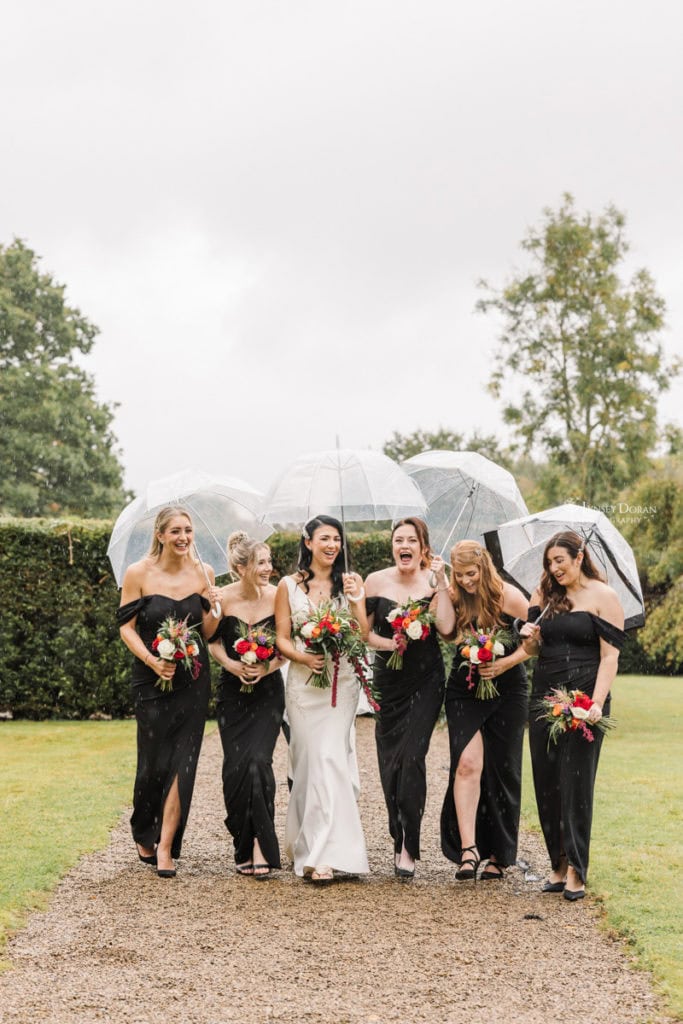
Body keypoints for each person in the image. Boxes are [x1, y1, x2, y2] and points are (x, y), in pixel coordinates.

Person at [521, 530, 625, 901]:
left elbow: (610, 656)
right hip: (545, 697)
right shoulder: (542, 596)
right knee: (547, 781)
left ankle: (579, 869)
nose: (554, 568)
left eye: (560, 561)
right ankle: (558, 863)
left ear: (579, 558)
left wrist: (595, 703)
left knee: (576, 783)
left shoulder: (604, 596)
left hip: (585, 698)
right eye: (550, 562)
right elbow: (533, 650)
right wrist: (530, 635)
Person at [117, 507, 221, 878]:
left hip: (193, 680)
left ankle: (165, 845)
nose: (183, 537)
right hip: (151, 679)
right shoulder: (138, 574)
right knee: (152, 763)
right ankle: (144, 827)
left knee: (184, 762)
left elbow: (207, 632)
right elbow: (126, 628)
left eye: (188, 530)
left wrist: (215, 606)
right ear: (160, 535)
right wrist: (151, 659)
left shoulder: (204, 573)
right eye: (175, 530)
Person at [275, 514, 370, 885]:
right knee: (308, 761)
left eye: (337, 539)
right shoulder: (288, 585)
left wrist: (357, 599)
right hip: (303, 684)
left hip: (341, 684)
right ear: (308, 542)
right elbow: (283, 637)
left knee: (330, 757)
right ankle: (307, 840)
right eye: (325, 538)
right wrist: (303, 657)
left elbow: (361, 634)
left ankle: (326, 855)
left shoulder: (350, 583)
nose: (332, 545)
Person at [365, 517, 454, 879]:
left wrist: (443, 584)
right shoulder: (375, 581)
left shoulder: (434, 582)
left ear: (423, 547)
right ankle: (396, 831)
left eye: (411, 540)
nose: (404, 545)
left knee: (413, 757)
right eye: (398, 540)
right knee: (390, 762)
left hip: (426, 680)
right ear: (393, 546)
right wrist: (390, 643)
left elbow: (446, 629)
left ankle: (409, 847)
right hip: (388, 681)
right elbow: (364, 633)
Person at [439, 540, 529, 882]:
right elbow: (447, 633)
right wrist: (440, 585)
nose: (465, 580)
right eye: (459, 574)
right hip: (464, 688)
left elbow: (535, 641)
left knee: (502, 770)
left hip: (507, 688)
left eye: (471, 573)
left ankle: (498, 854)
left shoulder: (510, 596)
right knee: (467, 764)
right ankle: (468, 849)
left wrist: (505, 662)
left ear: (484, 567)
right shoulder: (453, 593)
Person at [208, 532, 286, 879]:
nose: (268, 568)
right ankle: (242, 841)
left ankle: (260, 845)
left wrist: (266, 667)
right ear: (241, 567)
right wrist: (233, 665)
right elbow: (211, 641)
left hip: (268, 692)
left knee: (259, 762)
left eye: (269, 561)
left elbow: (286, 645)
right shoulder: (220, 597)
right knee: (236, 767)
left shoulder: (278, 595)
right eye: (261, 562)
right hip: (232, 693)